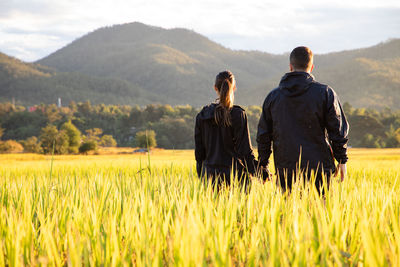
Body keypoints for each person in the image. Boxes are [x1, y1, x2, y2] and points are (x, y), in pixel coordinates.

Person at [257, 46, 349, 192]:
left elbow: (263, 135)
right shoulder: (325, 93)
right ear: (311, 67)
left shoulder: (273, 97)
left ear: (290, 66)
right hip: (320, 170)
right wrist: (342, 159)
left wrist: (263, 164)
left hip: (285, 171)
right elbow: (337, 129)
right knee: (321, 213)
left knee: (288, 213)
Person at [195, 70, 258, 187]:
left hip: (210, 179)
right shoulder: (238, 115)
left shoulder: (202, 116)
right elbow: (245, 151)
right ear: (234, 88)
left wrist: (202, 176)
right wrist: (259, 172)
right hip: (237, 179)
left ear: (215, 88)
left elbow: (199, 154)